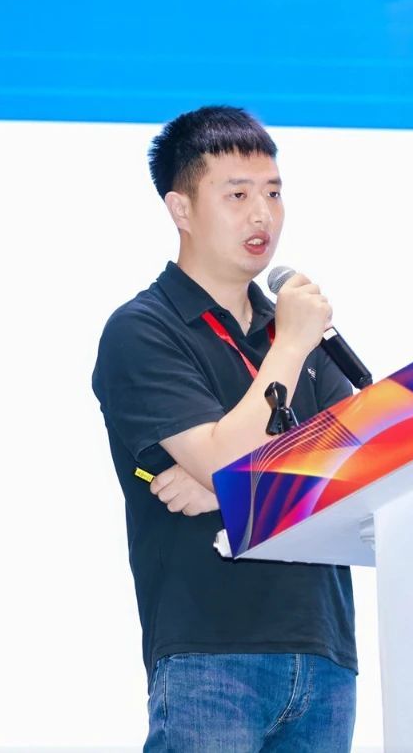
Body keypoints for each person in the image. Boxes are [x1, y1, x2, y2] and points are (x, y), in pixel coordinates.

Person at [91, 106, 357, 752]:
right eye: (237, 195)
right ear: (181, 208)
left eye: (273, 193)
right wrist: (288, 348)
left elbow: (352, 471)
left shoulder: (299, 332)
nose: (262, 214)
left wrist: (230, 487)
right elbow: (224, 462)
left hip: (324, 651)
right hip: (210, 654)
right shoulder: (144, 330)